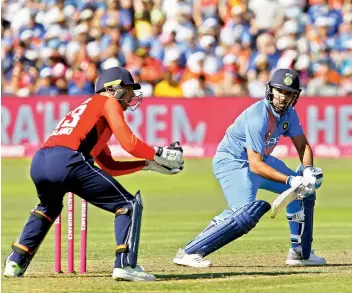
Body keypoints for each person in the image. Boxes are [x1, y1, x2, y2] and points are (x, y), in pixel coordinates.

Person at [3, 66, 184, 281]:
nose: (129, 98)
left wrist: (146, 164)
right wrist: (159, 152)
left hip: (40, 161)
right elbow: (129, 143)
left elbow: (109, 165)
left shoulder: (90, 112)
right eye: (127, 90)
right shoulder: (108, 102)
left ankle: (15, 262)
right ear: (112, 88)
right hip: (68, 160)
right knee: (128, 205)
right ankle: (125, 265)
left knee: (48, 208)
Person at [172, 68, 326, 268]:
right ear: (270, 90)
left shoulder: (290, 114)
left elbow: (303, 146)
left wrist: (306, 172)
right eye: (279, 91)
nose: (283, 97)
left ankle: (299, 252)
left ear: (295, 96)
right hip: (233, 162)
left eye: (288, 93)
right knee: (243, 213)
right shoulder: (258, 117)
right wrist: (290, 180)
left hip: (260, 160)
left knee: (303, 191)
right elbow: (255, 165)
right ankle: (190, 251)